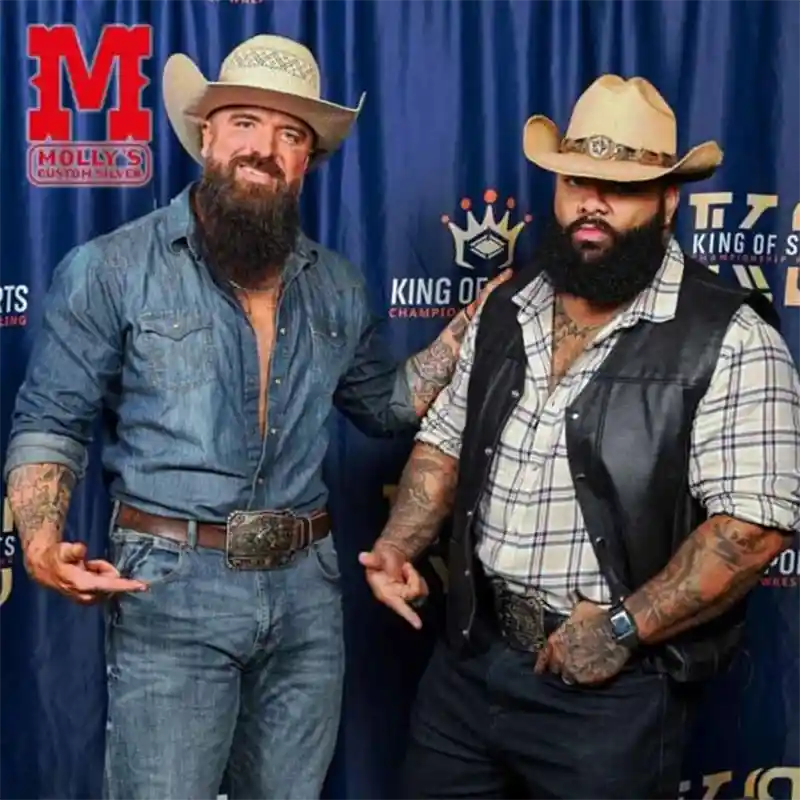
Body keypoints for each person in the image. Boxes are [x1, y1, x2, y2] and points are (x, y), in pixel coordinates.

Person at [3, 34, 508, 800]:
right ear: (205, 133)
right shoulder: (109, 268)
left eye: (291, 134)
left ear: (308, 161)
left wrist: (470, 323)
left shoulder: (337, 284)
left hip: (308, 591)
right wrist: (40, 538)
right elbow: (50, 415)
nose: (263, 149)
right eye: (244, 122)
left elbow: (384, 406)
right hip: (170, 590)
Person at [361, 75, 800, 799]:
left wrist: (622, 631)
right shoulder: (509, 305)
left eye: (620, 187)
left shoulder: (730, 335)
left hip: (613, 695)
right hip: (470, 665)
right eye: (577, 180)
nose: (592, 202)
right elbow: (443, 440)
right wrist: (400, 544)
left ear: (667, 204)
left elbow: (752, 525)